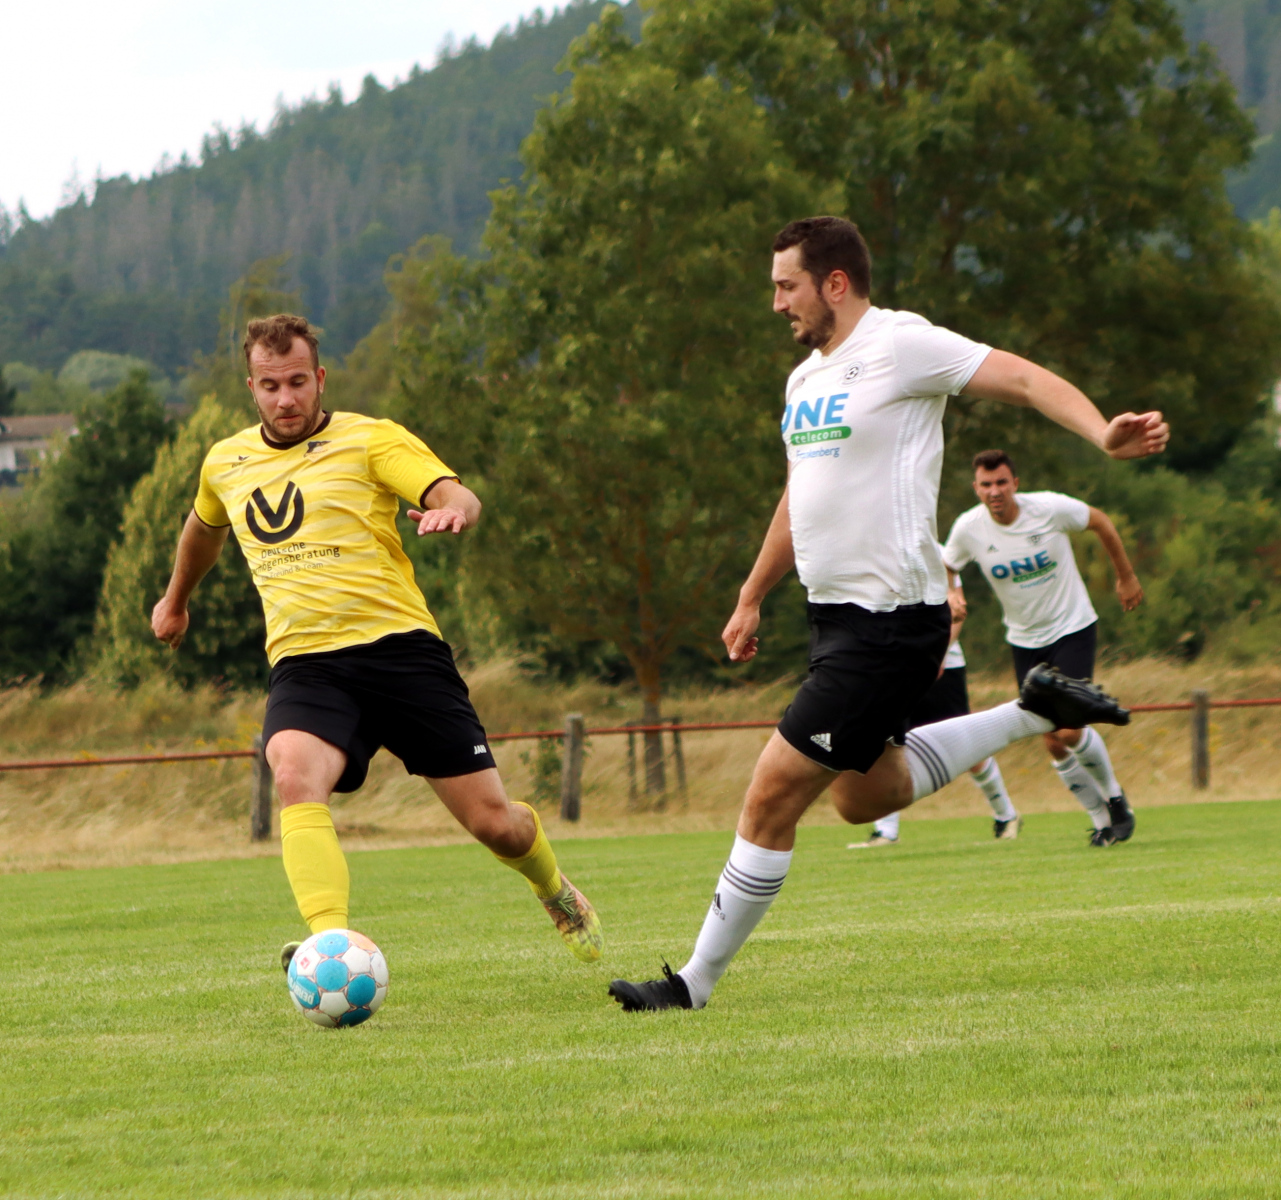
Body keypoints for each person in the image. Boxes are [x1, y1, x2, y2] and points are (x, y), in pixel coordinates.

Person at [608, 216, 1167, 1013]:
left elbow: (1021, 380)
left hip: (890, 621)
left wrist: (1100, 432)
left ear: (835, 283)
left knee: (771, 792)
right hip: (833, 620)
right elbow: (801, 495)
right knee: (861, 798)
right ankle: (1033, 711)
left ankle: (689, 985)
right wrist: (752, 593)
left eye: (786, 286)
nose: (776, 303)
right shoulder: (804, 382)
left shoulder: (901, 344)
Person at [151, 313, 602, 969]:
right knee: (293, 773)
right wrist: (175, 601)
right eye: (270, 386)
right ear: (251, 387)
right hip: (307, 663)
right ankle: (328, 944)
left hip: (402, 653)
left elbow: (457, 493)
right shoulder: (225, 461)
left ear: (320, 378)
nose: (285, 399)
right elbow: (203, 528)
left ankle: (553, 887)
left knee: (495, 826)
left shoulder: (370, 439)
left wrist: (452, 511)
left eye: (297, 382)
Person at [942, 449, 1140, 847]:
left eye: (1002, 482)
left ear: (1015, 483)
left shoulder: (1049, 509)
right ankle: (1101, 821)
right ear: (976, 488)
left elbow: (1100, 521)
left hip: (1072, 628)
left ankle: (1116, 800)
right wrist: (951, 592)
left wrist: (1126, 576)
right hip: (1024, 641)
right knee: (1050, 738)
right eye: (986, 484)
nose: (995, 491)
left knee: (1068, 729)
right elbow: (948, 563)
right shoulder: (969, 528)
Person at [847, 624, 1020, 848]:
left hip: (939, 665)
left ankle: (1006, 816)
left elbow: (957, 612)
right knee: (887, 742)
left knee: (967, 748)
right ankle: (886, 831)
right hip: (892, 665)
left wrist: (939, 655)